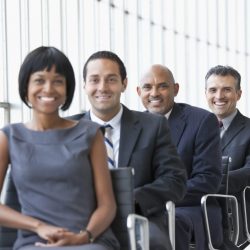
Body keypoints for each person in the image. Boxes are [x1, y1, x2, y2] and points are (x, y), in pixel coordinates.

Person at [0, 46, 120, 250]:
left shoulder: (90, 134)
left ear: (67, 90)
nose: (48, 89)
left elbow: (107, 205)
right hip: (36, 241)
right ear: (26, 87)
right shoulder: (9, 137)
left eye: (58, 81)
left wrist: (84, 236)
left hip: (89, 239)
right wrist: (39, 227)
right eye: (39, 80)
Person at [70, 51, 187, 250]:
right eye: (94, 80)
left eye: (111, 79)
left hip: (138, 218)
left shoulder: (153, 126)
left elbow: (175, 180)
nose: (102, 87)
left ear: (124, 84)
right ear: (84, 85)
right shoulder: (67, 129)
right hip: (80, 220)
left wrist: (130, 200)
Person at [137, 64, 223, 250]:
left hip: (186, 206)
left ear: (175, 89)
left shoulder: (201, 121)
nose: (154, 93)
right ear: (138, 92)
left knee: (165, 224)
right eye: (147, 87)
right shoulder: (132, 125)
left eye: (163, 86)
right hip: (141, 207)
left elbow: (207, 179)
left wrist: (153, 198)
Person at [205, 65, 250, 248]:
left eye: (227, 90)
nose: (219, 96)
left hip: (235, 214)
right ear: (205, 93)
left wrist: (210, 182)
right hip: (197, 209)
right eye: (213, 90)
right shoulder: (195, 129)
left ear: (238, 94)